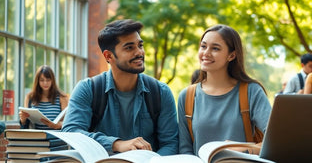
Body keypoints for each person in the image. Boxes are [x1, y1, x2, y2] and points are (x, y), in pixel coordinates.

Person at [61, 19, 178, 156]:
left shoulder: (160, 92)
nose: (139, 52)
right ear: (108, 56)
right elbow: (71, 132)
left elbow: (170, 143)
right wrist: (116, 144)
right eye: (129, 47)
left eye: (140, 45)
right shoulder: (88, 89)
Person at [177, 24, 272, 155]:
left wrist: (244, 149)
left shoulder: (251, 91)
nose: (206, 53)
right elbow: (185, 149)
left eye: (215, 48)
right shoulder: (187, 96)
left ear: (231, 55)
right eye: (203, 46)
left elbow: (274, 139)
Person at [19, 65, 68, 130]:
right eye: (42, 80)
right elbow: (25, 125)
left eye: (48, 80)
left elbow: (68, 122)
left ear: (52, 80)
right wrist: (23, 119)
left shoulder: (62, 97)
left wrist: (58, 125)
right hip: (36, 137)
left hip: (56, 137)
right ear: (38, 81)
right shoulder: (30, 97)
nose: (45, 83)